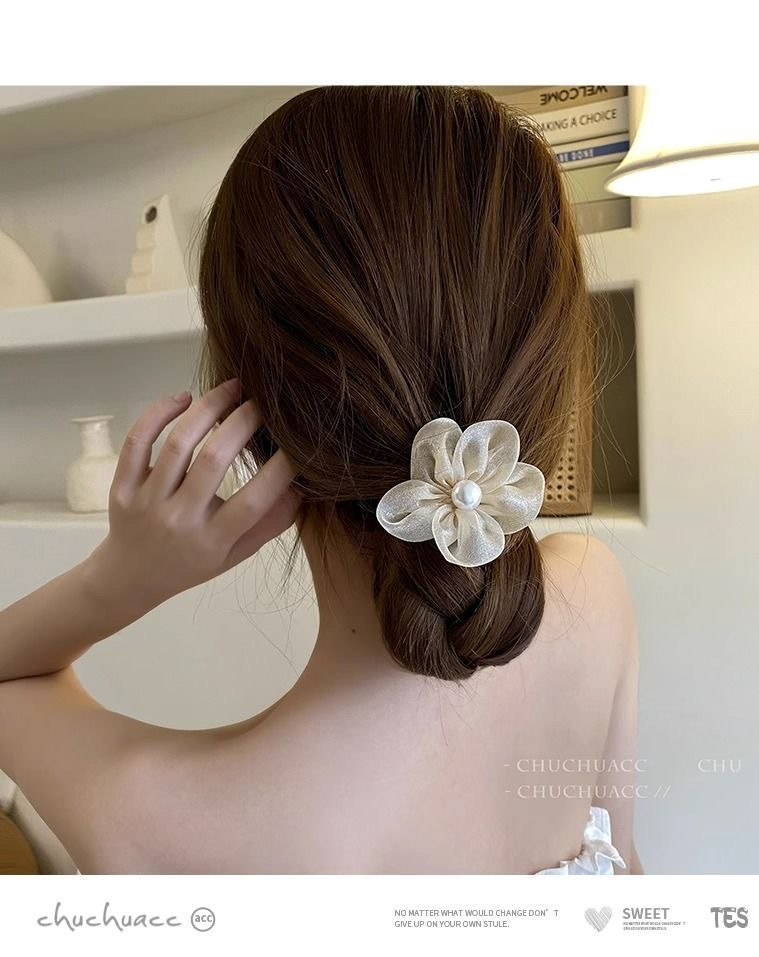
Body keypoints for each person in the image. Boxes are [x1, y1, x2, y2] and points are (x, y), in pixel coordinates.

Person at [0, 86, 642, 875]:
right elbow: (630, 875)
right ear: (543, 367)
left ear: (249, 402)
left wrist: (121, 578)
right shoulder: (594, 595)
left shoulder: (153, 814)